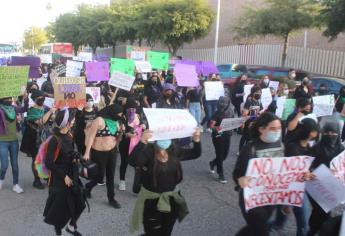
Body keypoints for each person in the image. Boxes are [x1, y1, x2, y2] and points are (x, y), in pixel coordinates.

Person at [129, 128, 201, 236]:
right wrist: (142, 142)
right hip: (152, 201)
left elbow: (195, 153)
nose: (165, 139)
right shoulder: (148, 151)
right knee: (152, 232)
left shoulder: (174, 150)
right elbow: (133, 161)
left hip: (172, 200)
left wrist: (196, 140)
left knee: (166, 232)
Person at [233, 112, 284, 236]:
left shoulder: (281, 145)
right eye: (273, 128)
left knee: (256, 228)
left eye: (279, 128)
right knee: (262, 230)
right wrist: (240, 180)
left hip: (270, 198)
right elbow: (237, 173)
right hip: (252, 199)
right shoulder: (250, 148)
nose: (277, 131)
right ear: (261, 129)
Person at [270, 118, 319, 236]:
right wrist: (287, 202)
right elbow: (290, 173)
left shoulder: (309, 145)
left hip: (301, 187)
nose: (318, 132)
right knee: (281, 223)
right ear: (310, 132)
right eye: (315, 130)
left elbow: (307, 167)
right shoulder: (292, 147)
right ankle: (258, 229)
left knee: (302, 225)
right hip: (290, 189)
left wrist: (310, 172)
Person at [43, 108, 85, 236]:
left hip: (72, 175)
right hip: (59, 180)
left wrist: (76, 158)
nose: (73, 122)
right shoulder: (54, 139)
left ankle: (71, 227)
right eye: (71, 120)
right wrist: (64, 176)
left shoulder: (69, 135)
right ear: (66, 123)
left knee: (80, 204)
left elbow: (69, 154)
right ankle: (58, 232)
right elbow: (49, 162)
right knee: (58, 212)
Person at [307, 120, 345, 236]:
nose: (330, 135)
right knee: (320, 212)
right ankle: (311, 231)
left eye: (334, 133)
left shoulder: (342, 149)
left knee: (325, 213)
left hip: (333, 187)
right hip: (316, 185)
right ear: (323, 133)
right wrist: (318, 172)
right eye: (327, 132)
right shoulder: (316, 148)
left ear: (338, 134)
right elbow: (308, 167)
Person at [83, 103, 123, 209]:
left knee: (110, 176)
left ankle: (111, 198)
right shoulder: (99, 120)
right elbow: (91, 137)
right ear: (113, 112)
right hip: (98, 153)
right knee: (99, 176)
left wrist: (122, 133)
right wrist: (87, 152)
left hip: (112, 152)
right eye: (119, 113)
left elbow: (116, 138)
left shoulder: (117, 122)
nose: (120, 115)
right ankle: (88, 187)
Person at [20, 90, 56, 189]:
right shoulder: (31, 110)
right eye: (40, 98)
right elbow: (41, 122)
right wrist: (50, 112)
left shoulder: (45, 108)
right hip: (34, 139)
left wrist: (53, 113)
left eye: (43, 97)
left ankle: (45, 175)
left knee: (46, 158)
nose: (42, 99)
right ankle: (36, 180)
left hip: (45, 137)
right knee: (36, 159)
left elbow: (52, 119)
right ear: (35, 99)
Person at [0, 96, 28, 193]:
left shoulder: (13, 108)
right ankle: (1, 179)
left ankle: (15, 184)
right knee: (4, 165)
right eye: (6, 99)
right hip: (2, 141)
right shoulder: (0, 109)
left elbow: (24, 109)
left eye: (9, 98)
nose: (9, 100)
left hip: (14, 141)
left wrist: (26, 99)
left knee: (15, 164)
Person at [118, 98, 144, 191]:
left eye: (134, 108)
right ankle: (122, 181)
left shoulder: (138, 117)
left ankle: (138, 184)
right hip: (125, 143)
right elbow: (119, 131)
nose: (132, 111)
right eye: (130, 108)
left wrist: (142, 126)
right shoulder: (122, 118)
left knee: (138, 164)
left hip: (136, 144)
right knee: (124, 162)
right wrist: (126, 134)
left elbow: (142, 128)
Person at [209, 96, 235, 183]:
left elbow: (233, 122)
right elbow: (211, 126)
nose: (223, 104)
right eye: (221, 102)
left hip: (227, 136)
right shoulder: (217, 113)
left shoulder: (231, 112)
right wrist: (217, 127)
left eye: (225, 102)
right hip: (218, 137)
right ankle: (221, 174)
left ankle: (213, 163)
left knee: (224, 155)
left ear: (228, 103)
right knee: (220, 156)